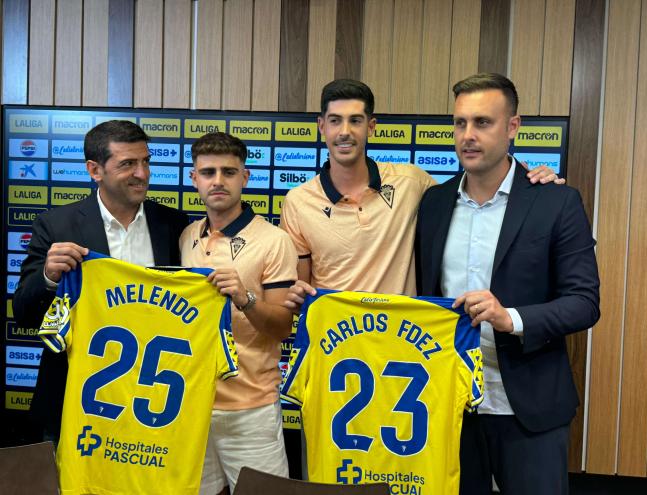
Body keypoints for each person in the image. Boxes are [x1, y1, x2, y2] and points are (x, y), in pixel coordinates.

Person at [415, 73, 600, 494]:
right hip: (450, 407)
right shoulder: (434, 203)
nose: (468, 135)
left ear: (512, 127)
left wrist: (509, 318)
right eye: (460, 123)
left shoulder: (556, 201)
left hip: (529, 407)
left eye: (483, 122)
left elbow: (585, 302)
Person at [282, 78, 562, 308]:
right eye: (335, 121)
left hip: (407, 346)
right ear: (321, 126)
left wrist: (525, 179)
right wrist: (296, 301)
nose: (345, 132)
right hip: (335, 348)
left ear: (371, 127)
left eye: (355, 120)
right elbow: (302, 291)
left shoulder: (412, 182)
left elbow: (477, 183)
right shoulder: (298, 201)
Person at [13, 120, 190, 442]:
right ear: (95, 170)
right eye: (128, 164)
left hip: (152, 400)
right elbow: (24, 313)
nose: (142, 173)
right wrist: (49, 278)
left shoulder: (174, 223)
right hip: (73, 399)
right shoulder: (56, 226)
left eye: (146, 161)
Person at [178, 132, 297, 495]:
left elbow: (281, 326)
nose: (218, 181)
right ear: (194, 178)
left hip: (251, 409)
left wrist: (245, 299)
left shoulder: (274, 240)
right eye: (208, 172)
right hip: (190, 405)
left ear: (245, 178)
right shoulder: (186, 236)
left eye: (229, 172)